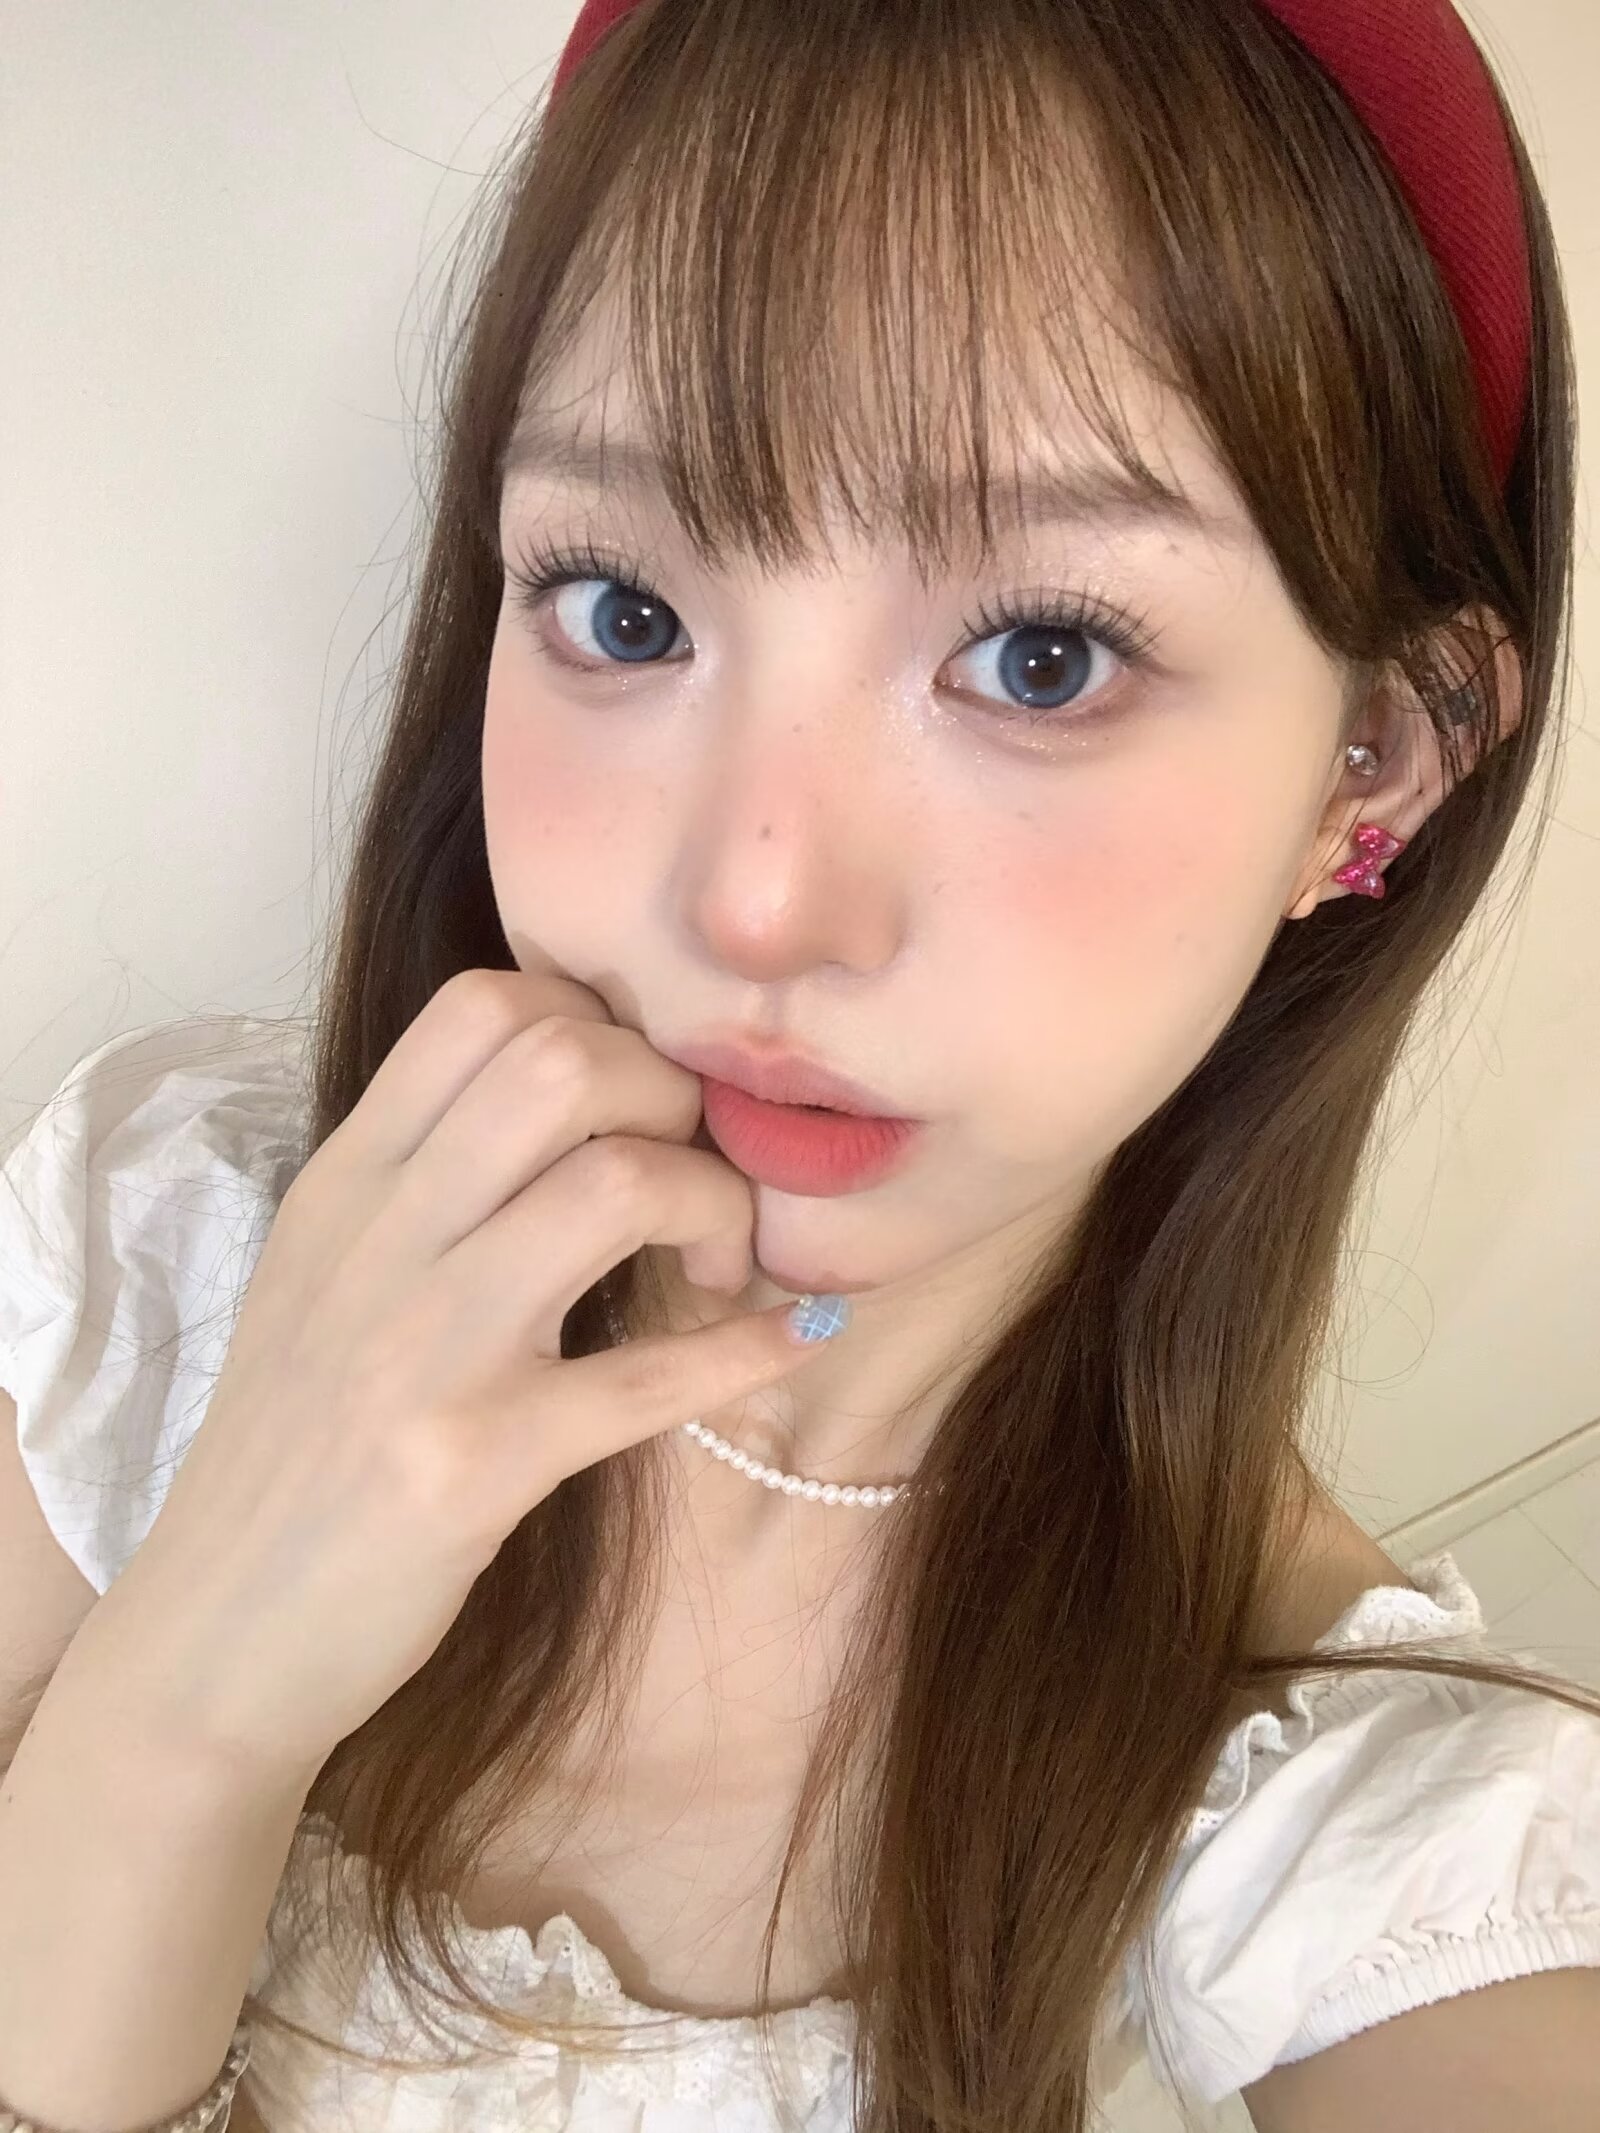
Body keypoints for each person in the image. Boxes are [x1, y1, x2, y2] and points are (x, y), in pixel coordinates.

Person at [1, 0, 1598, 2128]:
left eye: (1042, 654)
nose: (753, 903)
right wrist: (188, 1702)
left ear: (1371, 760)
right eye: (624, 607)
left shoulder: (1357, 1816)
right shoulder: (186, 1246)